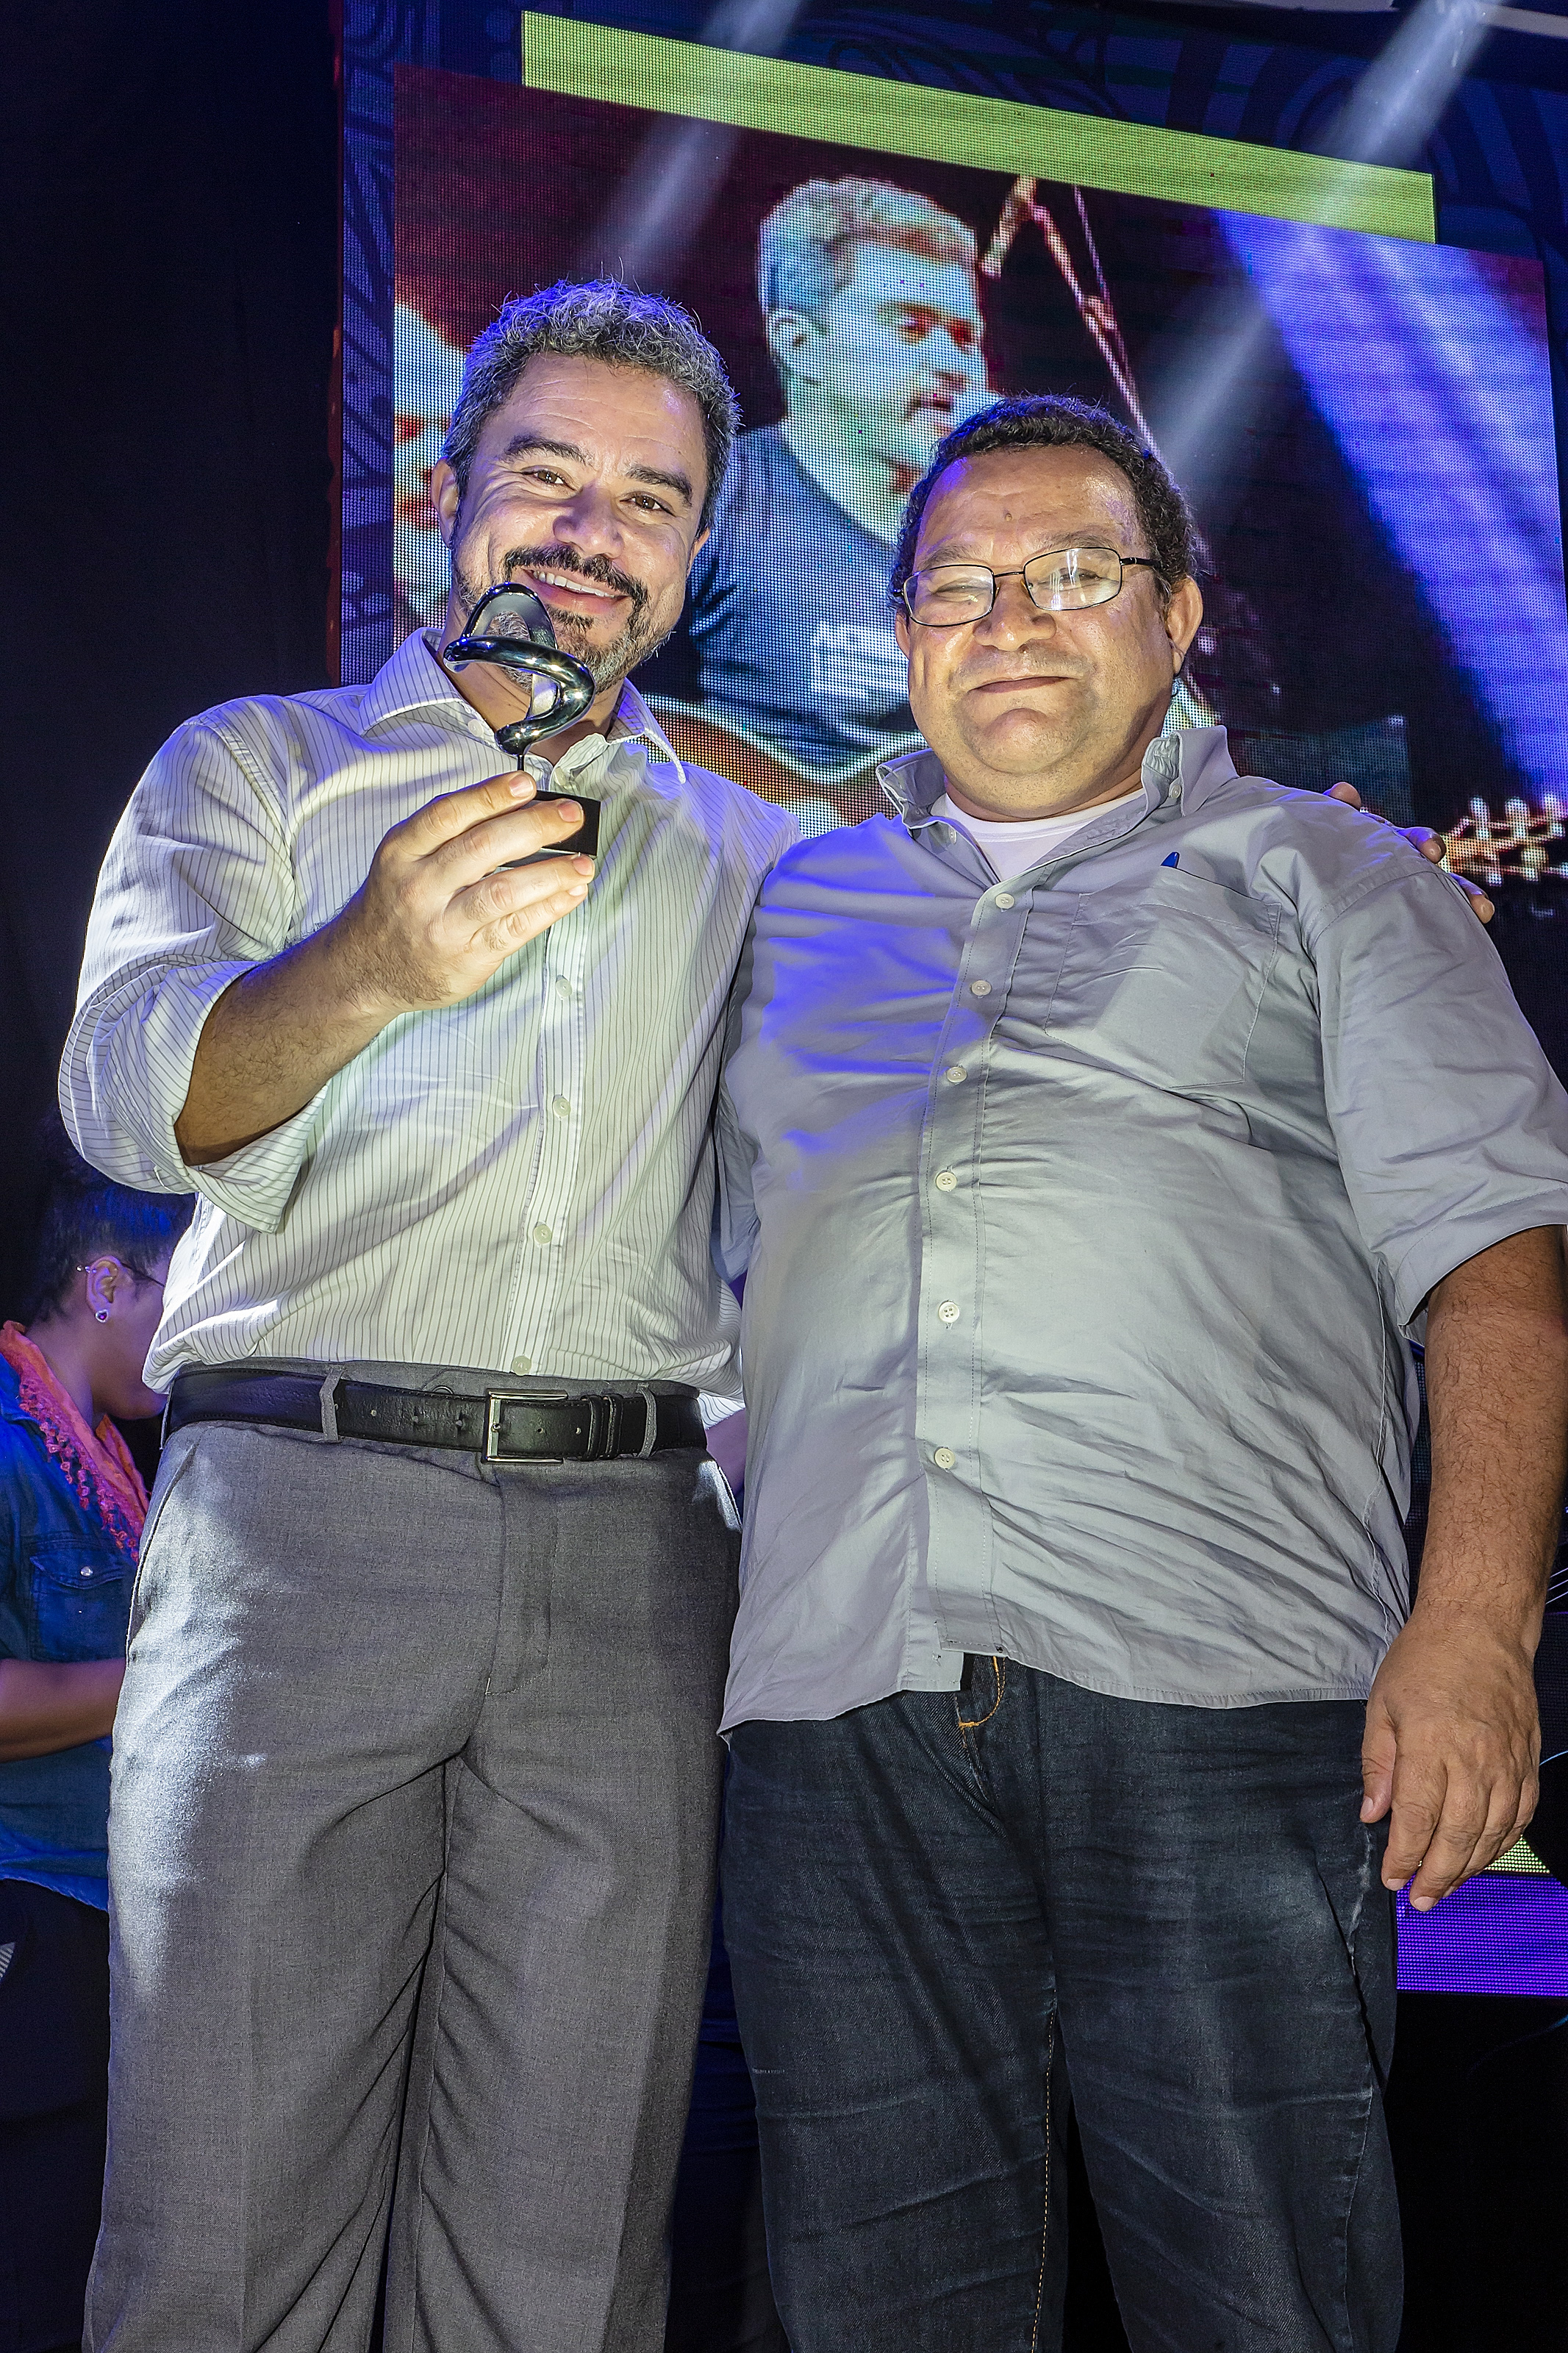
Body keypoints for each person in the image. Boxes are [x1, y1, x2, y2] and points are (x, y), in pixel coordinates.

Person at [713, 395, 1568, 2351]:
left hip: (1224, 1696)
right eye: (955, 586)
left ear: (1175, 617)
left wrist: (1472, 1631)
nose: (1007, 618)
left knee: (1260, 2301)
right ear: (901, 636)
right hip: (838, 1717)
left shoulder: (1326, 876)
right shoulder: (796, 912)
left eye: (1071, 572)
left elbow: (1495, 1269)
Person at [61, 278, 795, 2353]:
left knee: (563, 2261)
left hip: (634, 1557)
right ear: (439, 492)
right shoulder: (257, 763)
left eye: (646, 501)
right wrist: (369, 959)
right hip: (298, 1523)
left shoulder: (753, 848)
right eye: (545, 475)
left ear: (692, 558)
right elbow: (126, 1092)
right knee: (221, 2239)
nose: (588, 532)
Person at [0, 1132, 190, 2353]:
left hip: (95, 1915)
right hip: (25, 1905)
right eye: (182, 1295)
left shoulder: (110, 1458)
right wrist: (165, 1679)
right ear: (106, 1282)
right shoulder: (6, 1441)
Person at [648, 178, 988, 819]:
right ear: (798, 343)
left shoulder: (995, 542)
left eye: (965, 338)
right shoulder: (712, 498)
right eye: (912, 327)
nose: (953, 364)